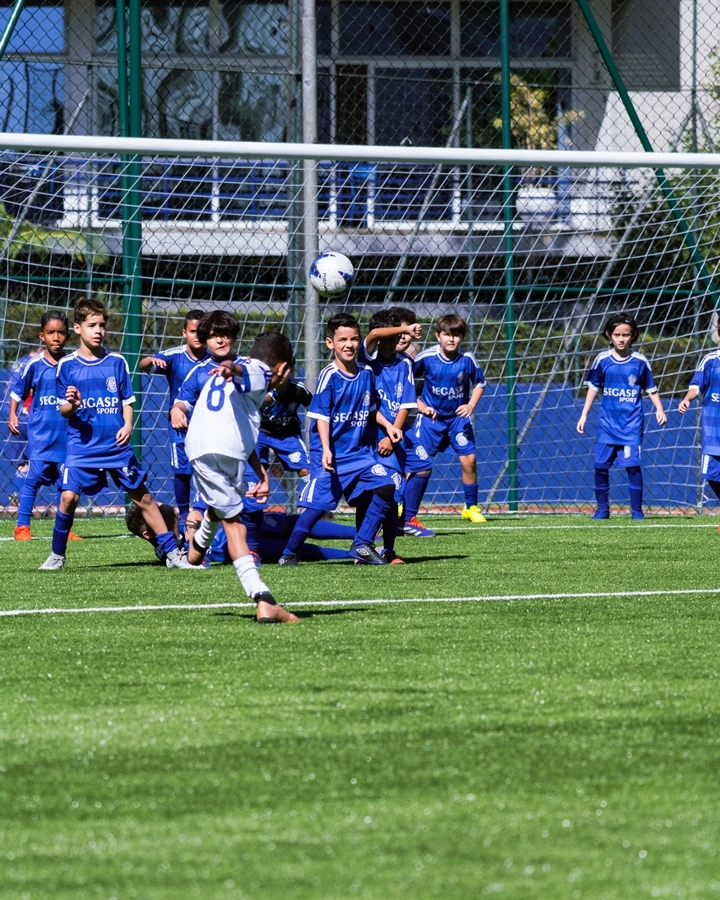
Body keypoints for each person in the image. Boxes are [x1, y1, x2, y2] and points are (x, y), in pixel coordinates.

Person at [39, 297, 198, 571]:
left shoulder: (117, 362)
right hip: (82, 445)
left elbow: (127, 401)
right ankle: (57, 555)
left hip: (116, 445)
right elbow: (63, 409)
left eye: (102, 325)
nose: (98, 330)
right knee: (68, 498)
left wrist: (127, 426)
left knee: (144, 498)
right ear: (78, 328)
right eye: (92, 325)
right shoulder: (67, 366)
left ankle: (173, 554)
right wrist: (72, 405)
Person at [177, 314, 299, 623]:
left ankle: (194, 551)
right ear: (283, 368)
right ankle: (263, 598)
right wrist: (233, 368)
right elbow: (249, 372)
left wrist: (259, 471)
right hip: (219, 450)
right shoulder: (259, 369)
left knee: (220, 509)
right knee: (236, 526)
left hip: (204, 448)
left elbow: (240, 424)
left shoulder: (239, 373)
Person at [278, 312, 401, 567]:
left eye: (354, 339)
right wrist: (324, 449)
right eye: (342, 339)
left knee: (387, 485)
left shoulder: (366, 373)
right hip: (331, 455)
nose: (349, 344)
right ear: (329, 343)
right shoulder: (329, 376)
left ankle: (362, 544)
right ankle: (289, 553)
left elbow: (370, 410)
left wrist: (389, 426)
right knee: (315, 509)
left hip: (360, 454)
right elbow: (320, 417)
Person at [402, 313, 487, 536]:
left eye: (456, 335)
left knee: (469, 460)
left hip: (458, 419)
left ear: (462, 338)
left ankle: (471, 507)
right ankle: (404, 506)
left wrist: (470, 405)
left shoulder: (467, 359)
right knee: (416, 464)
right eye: (447, 335)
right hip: (431, 420)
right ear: (438, 335)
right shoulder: (426, 357)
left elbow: (480, 384)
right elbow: (406, 382)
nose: (451, 340)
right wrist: (419, 405)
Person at [577, 311, 666, 519]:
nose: (621, 338)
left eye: (625, 334)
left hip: (631, 425)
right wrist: (583, 415)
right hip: (607, 425)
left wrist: (660, 409)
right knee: (600, 467)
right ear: (609, 335)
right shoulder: (602, 360)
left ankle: (636, 511)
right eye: (617, 334)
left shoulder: (640, 361)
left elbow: (651, 389)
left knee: (633, 467)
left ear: (632, 335)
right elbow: (592, 388)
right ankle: (602, 509)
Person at [9, 311, 81, 541]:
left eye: (61, 332)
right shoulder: (34, 366)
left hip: (66, 435)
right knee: (33, 477)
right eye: (51, 332)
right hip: (41, 434)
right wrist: (12, 415)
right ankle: (22, 526)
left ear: (68, 335)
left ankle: (65, 529)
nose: (56, 337)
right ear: (42, 336)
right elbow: (17, 392)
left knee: (65, 483)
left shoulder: (73, 365)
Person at [358, 308, 420, 563]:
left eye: (393, 340)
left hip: (394, 439)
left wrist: (393, 433)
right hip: (369, 437)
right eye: (384, 340)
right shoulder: (366, 364)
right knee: (367, 495)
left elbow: (407, 403)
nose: (387, 345)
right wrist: (405, 329)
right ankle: (362, 548)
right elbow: (369, 406)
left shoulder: (405, 363)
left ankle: (389, 550)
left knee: (393, 493)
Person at [139, 308, 208, 534]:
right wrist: (150, 361)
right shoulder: (175, 356)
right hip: (181, 425)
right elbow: (144, 364)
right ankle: (185, 518)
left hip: (209, 426)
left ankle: (206, 513)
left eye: (202, 331)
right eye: (192, 331)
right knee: (182, 472)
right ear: (184, 332)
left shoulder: (214, 359)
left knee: (209, 470)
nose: (197, 336)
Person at [678, 345, 720, 522]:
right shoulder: (711, 361)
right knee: (712, 474)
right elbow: (696, 386)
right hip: (714, 430)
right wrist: (687, 398)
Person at [257, 373, 312, 495]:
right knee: (255, 471)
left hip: (287, 434)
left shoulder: (298, 388)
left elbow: (315, 411)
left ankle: (318, 506)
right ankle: (252, 508)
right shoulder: (258, 386)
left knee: (306, 470)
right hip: (260, 433)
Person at [3, 344, 40, 506]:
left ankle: (17, 494)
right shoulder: (35, 364)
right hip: (28, 418)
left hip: (12, 417)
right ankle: (24, 497)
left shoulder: (17, 363)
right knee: (36, 462)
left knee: (22, 463)